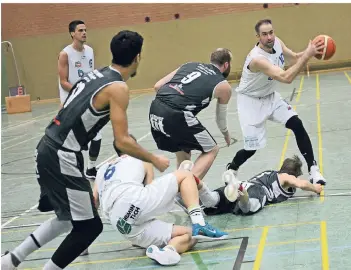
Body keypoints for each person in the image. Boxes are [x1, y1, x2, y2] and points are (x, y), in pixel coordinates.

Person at [1, 30, 170, 270]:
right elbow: (121, 142)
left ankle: (10, 261)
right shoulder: (118, 88)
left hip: (47, 148)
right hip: (62, 155)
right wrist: (153, 159)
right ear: (137, 58)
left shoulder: (97, 73)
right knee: (90, 227)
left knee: (67, 217)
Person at [92, 136, 228, 266]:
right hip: (133, 201)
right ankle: (199, 222)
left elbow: (94, 202)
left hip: (121, 223)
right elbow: (149, 189)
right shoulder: (142, 159)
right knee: (186, 175)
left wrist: (84, 241)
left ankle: (168, 251)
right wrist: (175, 189)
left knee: (190, 234)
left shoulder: (102, 170)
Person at [225, 18, 327, 185]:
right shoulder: (257, 59)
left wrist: (310, 51)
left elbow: (294, 58)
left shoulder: (277, 43)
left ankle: (313, 170)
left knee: (297, 124)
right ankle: (232, 169)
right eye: (264, 34)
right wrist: (307, 56)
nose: (269, 37)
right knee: (252, 148)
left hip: (270, 96)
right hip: (250, 102)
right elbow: (286, 77)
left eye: (271, 32)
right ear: (258, 37)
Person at [149, 48, 233, 181]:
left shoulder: (189, 65)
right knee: (211, 149)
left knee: (184, 154)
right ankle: (186, 189)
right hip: (177, 114)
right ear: (227, 65)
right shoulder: (223, 85)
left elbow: (158, 86)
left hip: (155, 108)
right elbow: (220, 118)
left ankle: (177, 189)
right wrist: (226, 133)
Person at [198, 155, 323, 216]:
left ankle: (199, 185)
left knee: (211, 201)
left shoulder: (271, 173)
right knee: (248, 209)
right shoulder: (286, 177)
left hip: (245, 184)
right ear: (294, 173)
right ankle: (239, 190)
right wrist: (315, 188)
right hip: (257, 191)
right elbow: (302, 184)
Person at [57, 20, 101, 180]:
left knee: (97, 136)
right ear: (72, 34)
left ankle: (91, 168)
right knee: (73, 138)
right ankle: (71, 171)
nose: (84, 33)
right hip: (72, 99)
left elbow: (91, 73)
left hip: (88, 97)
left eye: (85, 30)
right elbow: (63, 81)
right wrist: (79, 92)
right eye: (80, 30)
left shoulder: (89, 50)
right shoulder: (65, 54)